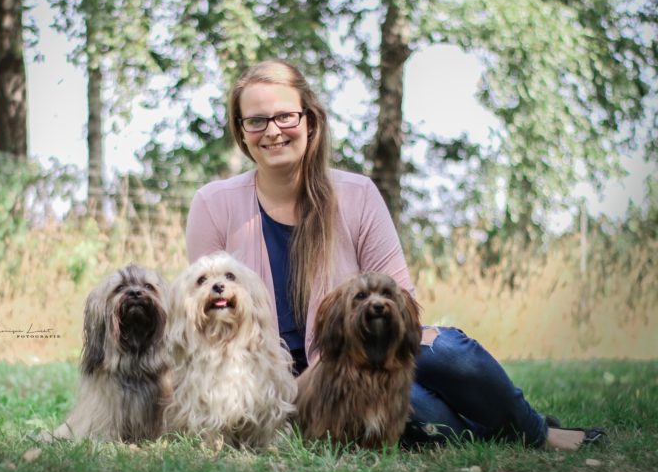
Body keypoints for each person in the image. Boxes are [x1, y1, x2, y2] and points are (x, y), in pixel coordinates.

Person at [184, 59, 606, 451]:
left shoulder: (358, 194)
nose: (272, 130)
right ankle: (505, 431)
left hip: (359, 361)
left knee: (451, 354)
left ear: (309, 121)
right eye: (256, 120)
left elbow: (400, 299)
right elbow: (201, 321)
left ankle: (539, 432)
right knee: (427, 416)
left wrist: (351, 358)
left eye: (284, 116)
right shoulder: (213, 204)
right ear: (241, 132)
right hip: (276, 390)